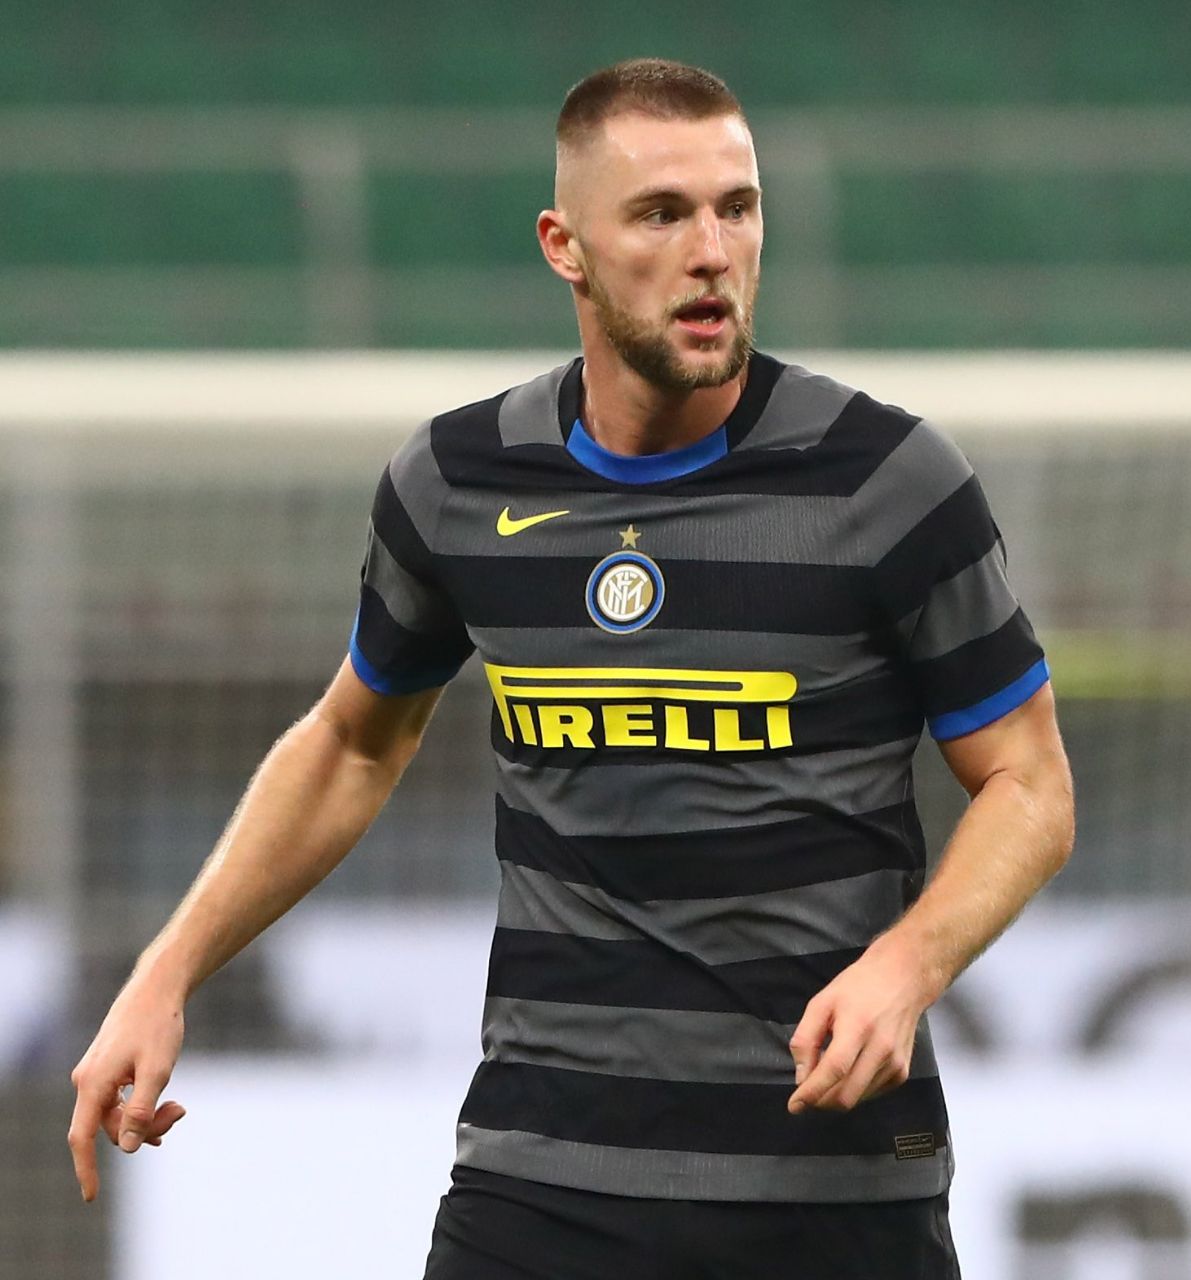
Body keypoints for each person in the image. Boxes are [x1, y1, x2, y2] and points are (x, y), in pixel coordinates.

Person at [69, 58, 1074, 1279]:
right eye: (660, 214)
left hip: (827, 1181)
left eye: (736, 208)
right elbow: (348, 743)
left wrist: (907, 966)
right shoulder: (457, 482)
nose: (711, 252)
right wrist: (166, 972)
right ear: (565, 247)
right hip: (540, 1180)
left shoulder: (886, 481)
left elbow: (1029, 783)